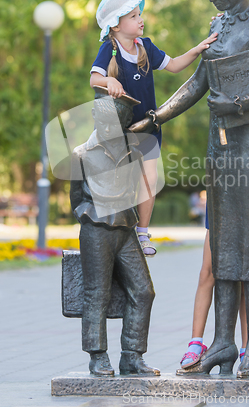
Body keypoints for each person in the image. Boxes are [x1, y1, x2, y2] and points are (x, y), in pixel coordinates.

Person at [130, 0, 249, 378]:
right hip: (219, 145)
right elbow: (198, 83)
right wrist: (155, 117)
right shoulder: (218, 25)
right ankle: (222, 342)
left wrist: (238, 101)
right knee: (222, 245)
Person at [90, 0, 217, 257]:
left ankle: (143, 232)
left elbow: (173, 66)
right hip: (119, 129)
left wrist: (197, 50)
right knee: (121, 181)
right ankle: (115, 232)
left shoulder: (145, 46)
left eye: (139, 14)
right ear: (116, 25)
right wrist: (109, 82)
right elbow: (94, 79)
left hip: (147, 127)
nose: (141, 19)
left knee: (149, 178)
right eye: (134, 16)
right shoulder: (110, 48)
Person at [70, 89, 160, 377]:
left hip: (126, 228)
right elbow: (75, 199)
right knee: (97, 294)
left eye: (114, 123)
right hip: (96, 228)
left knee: (144, 291)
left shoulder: (133, 150)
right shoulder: (81, 154)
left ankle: (132, 356)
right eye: (103, 121)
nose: (108, 128)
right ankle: (97, 355)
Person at [180, 216, 249, 369]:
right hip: (223, 201)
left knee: (247, 277)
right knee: (207, 273)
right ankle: (195, 344)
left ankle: (247, 350)